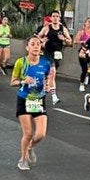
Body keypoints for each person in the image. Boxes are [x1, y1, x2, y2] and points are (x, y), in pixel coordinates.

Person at [11, 36, 55, 170]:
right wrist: (23, 81)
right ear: (27, 47)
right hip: (24, 99)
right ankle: (23, 159)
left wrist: (48, 86)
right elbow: (13, 81)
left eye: (38, 44)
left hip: (38, 100)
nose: (36, 46)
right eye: (33, 44)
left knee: (41, 134)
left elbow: (49, 78)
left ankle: (30, 147)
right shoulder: (20, 62)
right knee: (28, 133)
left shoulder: (45, 63)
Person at [37, 10, 71, 105]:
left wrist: (63, 39)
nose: (55, 18)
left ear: (59, 18)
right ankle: (54, 97)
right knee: (52, 72)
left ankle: (42, 90)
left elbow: (70, 41)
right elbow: (37, 37)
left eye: (57, 16)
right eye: (53, 16)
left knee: (50, 75)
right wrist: (42, 40)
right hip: (48, 53)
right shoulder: (47, 28)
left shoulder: (62, 29)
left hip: (58, 54)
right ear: (51, 18)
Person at [74, 17, 90, 91]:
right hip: (82, 52)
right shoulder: (82, 32)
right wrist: (82, 42)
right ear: (85, 23)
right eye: (88, 22)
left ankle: (87, 76)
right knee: (84, 69)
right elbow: (75, 41)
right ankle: (81, 84)